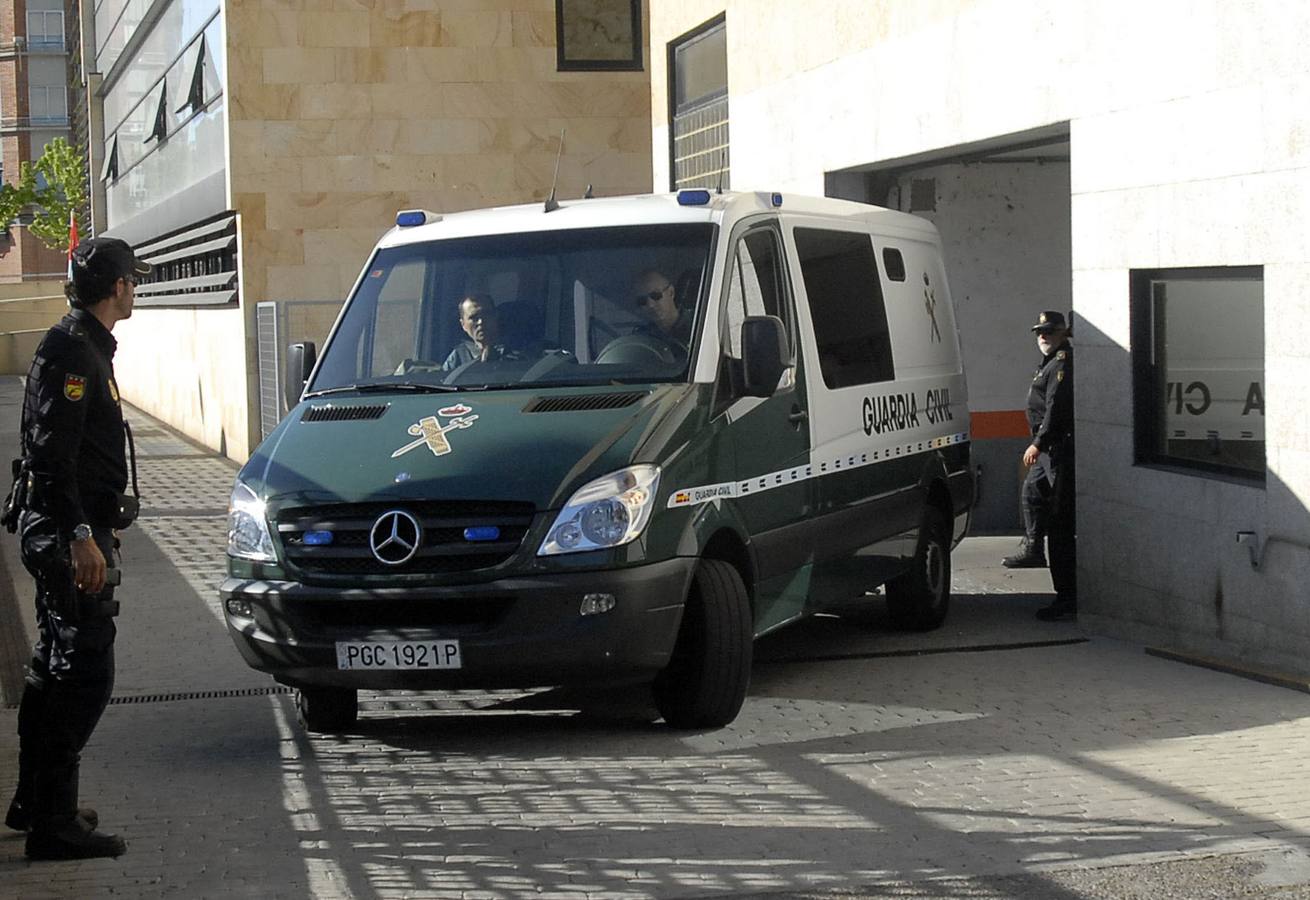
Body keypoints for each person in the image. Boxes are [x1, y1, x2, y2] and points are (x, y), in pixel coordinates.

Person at [5, 237, 149, 859]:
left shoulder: (85, 344)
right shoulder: (73, 350)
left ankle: (37, 801)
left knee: (51, 666)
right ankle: (53, 824)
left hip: (76, 529)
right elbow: (51, 458)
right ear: (117, 287)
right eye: (132, 281)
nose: (135, 289)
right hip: (67, 536)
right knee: (84, 672)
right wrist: (81, 536)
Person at [1002, 310, 1076, 620]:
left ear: (1063, 333)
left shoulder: (1061, 364)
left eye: (1049, 331)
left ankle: (1067, 597)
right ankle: (1033, 547)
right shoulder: (1048, 363)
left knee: (1060, 525)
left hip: (1057, 450)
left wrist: (1038, 443)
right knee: (1031, 494)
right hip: (1048, 452)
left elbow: (1056, 410)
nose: (1042, 336)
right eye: (1038, 332)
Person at [441, 294, 521, 371]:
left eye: (486, 315)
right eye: (473, 317)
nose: (480, 322)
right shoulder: (458, 357)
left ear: (496, 316)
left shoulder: (518, 353)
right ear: (463, 324)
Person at [631, 269, 693, 349]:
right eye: (642, 301)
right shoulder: (640, 339)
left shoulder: (700, 325)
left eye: (655, 295)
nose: (650, 305)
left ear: (671, 292)